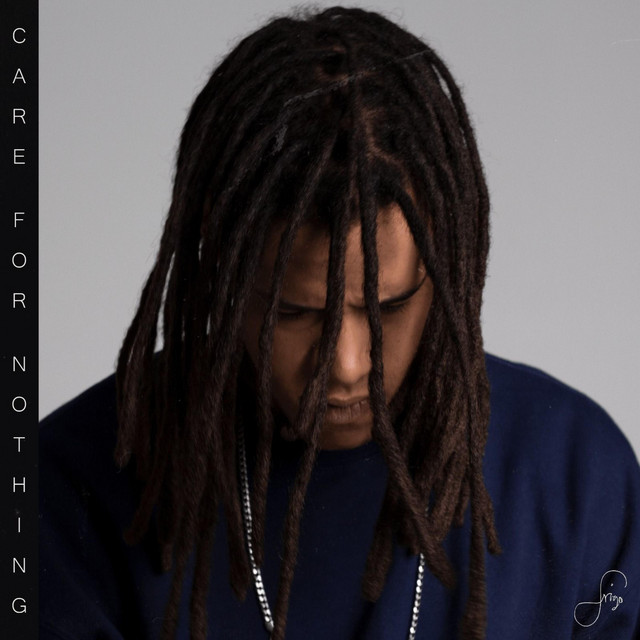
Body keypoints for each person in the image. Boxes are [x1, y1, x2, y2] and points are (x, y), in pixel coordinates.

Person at [39, 6, 640, 640]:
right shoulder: (68, 490)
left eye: (388, 308)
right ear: (221, 262)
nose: (349, 365)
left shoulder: (576, 478)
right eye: (294, 313)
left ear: (447, 261)